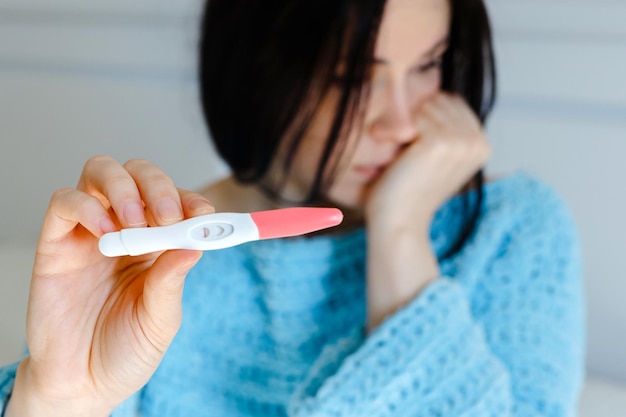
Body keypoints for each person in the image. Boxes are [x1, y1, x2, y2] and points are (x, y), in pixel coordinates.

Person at [0, 0, 585, 415]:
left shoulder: (512, 233)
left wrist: (401, 234)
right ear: (260, 71)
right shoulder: (152, 268)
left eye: (428, 65)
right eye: (355, 77)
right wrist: (58, 400)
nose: (403, 122)